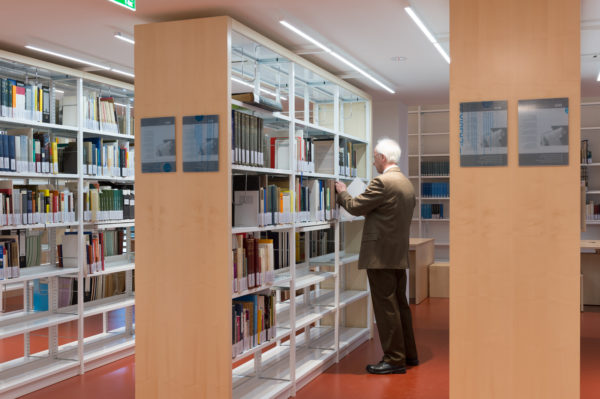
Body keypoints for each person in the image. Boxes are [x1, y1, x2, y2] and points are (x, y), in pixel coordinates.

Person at [335, 138, 418, 375]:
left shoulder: (382, 183)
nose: (373, 163)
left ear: (383, 158)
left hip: (380, 256)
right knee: (400, 306)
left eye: (374, 158)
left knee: (386, 308)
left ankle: (393, 359)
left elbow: (355, 206)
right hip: (397, 254)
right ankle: (408, 354)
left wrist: (342, 192)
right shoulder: (405, 183)